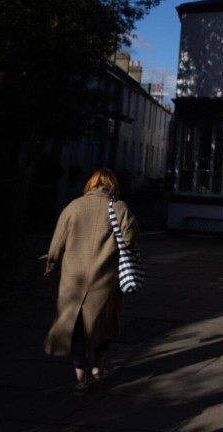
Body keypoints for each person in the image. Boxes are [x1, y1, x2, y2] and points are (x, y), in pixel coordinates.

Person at [44, 168, 139, 395]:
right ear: (112, 185)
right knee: (102, 323)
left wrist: (51, 266)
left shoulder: (73, 207)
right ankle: (99, 367)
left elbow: (57, 244)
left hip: (73, 280)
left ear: (91, 184)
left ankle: (80, 379)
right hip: (105, 279)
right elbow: (130, 240)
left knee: (77, 327)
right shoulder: (120, 208)